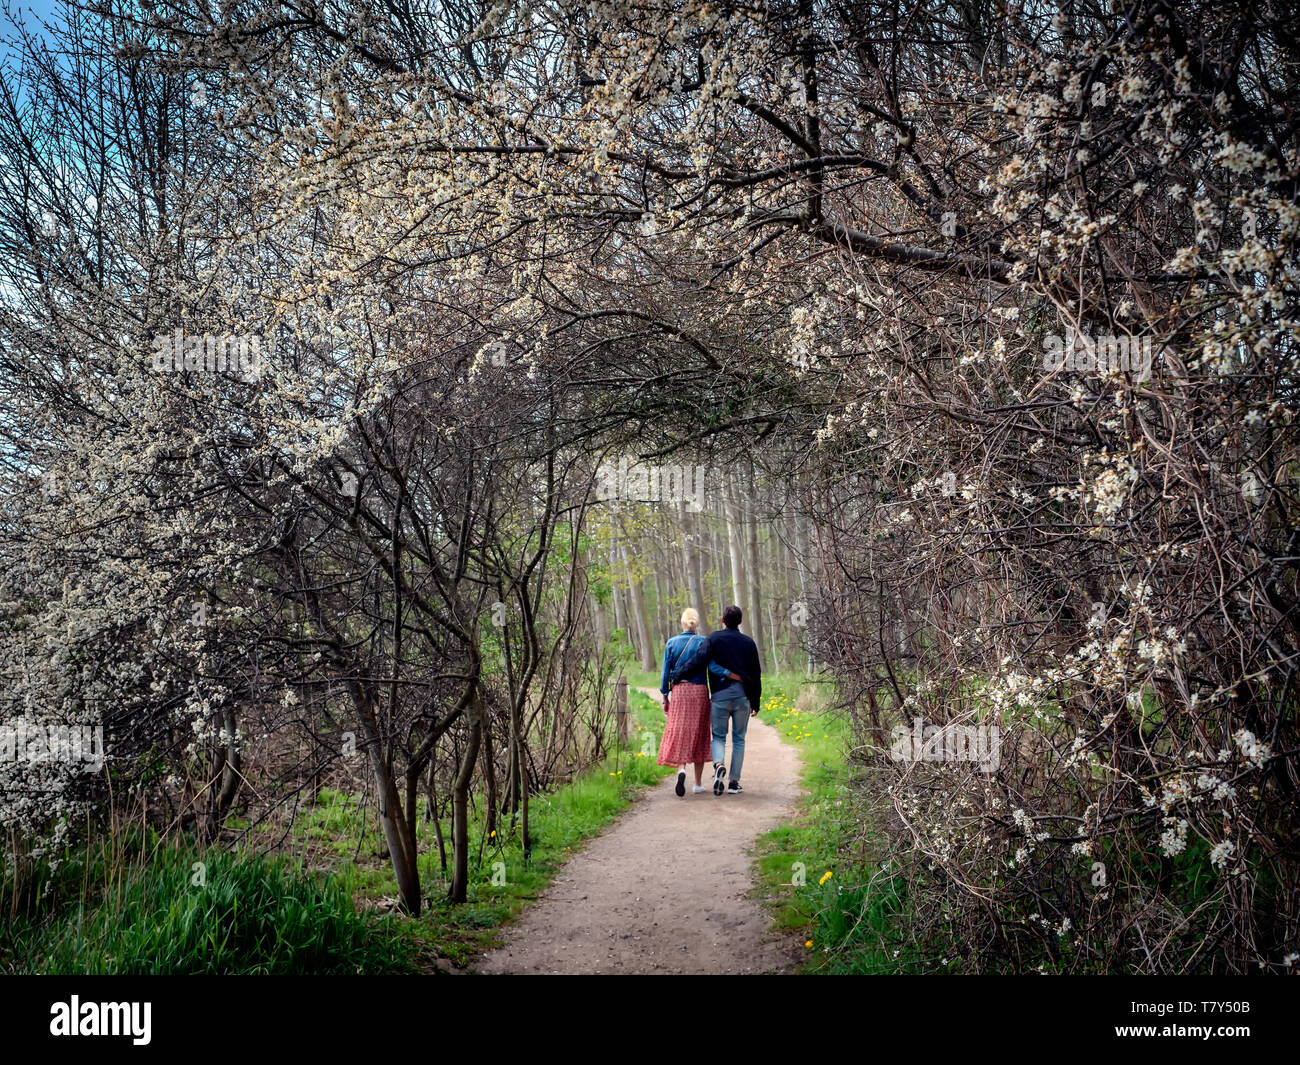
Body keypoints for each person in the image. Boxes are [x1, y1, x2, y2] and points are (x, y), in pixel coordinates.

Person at [669, 605, 761, 795]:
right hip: (742, 697)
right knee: (739, 739)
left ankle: (719, 765)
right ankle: (734, 783)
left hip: (719, 697)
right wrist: (755, 702)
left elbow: (699, 659)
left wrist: (677, 675)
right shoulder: (749, 643)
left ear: (722, 620)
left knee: (718, 736)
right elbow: (756, 674)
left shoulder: (713, 639)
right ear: (740, 622)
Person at [658, 608, 735, 797]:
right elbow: (712, 667)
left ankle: (681, 770)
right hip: (699, 691)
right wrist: (728, 676)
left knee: (680, 732)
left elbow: (665, 673)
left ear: (682, 623)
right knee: (700, 734)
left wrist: (665, 695)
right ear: (696, 624)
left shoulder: (672, 643)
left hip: (680, 691)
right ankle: (698, 784)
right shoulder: (703, 642)